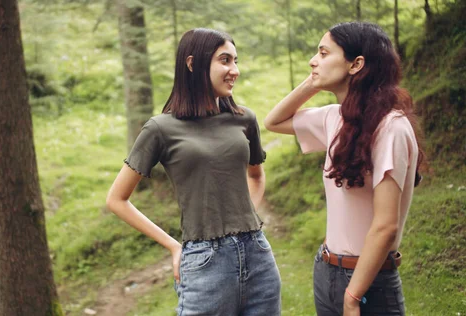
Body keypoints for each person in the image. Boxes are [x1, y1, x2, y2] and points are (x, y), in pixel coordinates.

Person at [106, 28, 281, 316]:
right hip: (204, 262)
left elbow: (256, 175)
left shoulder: (244, 119)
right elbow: (117, 199)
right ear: (192, 63)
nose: (234, 70)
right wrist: (175, 247)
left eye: (236, 61)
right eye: (225, 60)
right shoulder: (160, 128)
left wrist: (247, 214)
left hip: (259, 255)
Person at [263, 22, 425, 315]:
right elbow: (273, 121)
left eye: (324, 53)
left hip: (368, 281)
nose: (313, 60)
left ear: (356, 64)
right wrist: (314, 80)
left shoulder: (392, 128)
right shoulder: (334, 118)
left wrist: (353, 296)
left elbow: (386, 226)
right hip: (326, 269)